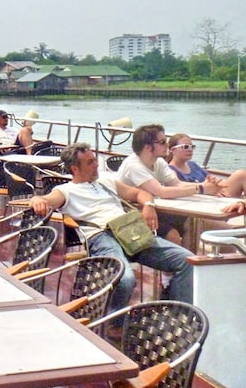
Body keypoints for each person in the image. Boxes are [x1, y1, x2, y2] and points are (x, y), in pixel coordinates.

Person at [27, 143, 242, 323]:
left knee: (186, 260)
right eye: (90, 163)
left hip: (131, 232)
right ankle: (114, 322)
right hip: (102, 236)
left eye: (95, 160)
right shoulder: (66, 190)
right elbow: (47, 200)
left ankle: (177, 315)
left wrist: (148, 205)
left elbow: (139, 192)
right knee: (125, 279)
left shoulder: (106, 182)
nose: (96, 165)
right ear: (75, 168)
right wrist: (38, 199)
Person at [116, 124, 219, 244]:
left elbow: (176, 184)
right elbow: (161, 191)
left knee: (191, 222)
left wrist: (205, 185)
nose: (167, 145)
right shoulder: (133, 165)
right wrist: (200, 188)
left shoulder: (158, 162)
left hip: (151, 208)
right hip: (129, 214)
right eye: (162, 142)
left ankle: (191, 260)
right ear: (148, 147)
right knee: (172, 235)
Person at [167, 133, 246, 198]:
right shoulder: (170, 170)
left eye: (192, 146)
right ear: (172, 149)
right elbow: (177, 185)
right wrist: (204, 187)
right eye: (186, 147)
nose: (190, 149)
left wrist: (216, 183)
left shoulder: (193, 165)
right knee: (241, 175)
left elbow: (210, 179)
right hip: (200, 200)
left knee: (242, 175)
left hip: (213, 196)